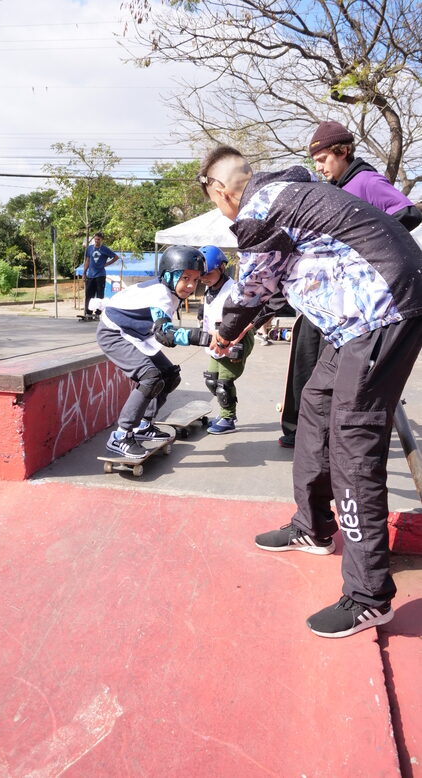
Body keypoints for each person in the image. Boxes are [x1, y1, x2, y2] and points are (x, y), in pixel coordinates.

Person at [197, 144, 422, 638]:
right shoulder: (292, 197)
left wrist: (226, 330)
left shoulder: (261, 207)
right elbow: (275, 286)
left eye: (215, 201)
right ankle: (314, 527)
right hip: (356, 318)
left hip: (379, 310)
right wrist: (246, 321)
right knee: (316, 405)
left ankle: (368, 595)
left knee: (352, 441)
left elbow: (253, 287)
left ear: (220, 190)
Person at [279, 121, 422, 449]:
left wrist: (366, 242)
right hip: (327, 294)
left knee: (333, 369)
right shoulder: (336, 188)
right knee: (304, 354)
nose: (319, 167)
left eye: (323, 159)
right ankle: (298, 429)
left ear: (343, 152)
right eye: (315, 162)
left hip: (362, 301)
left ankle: (327, 435)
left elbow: (409, 213)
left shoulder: (366, 180)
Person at [96, 245, 211, 459]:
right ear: (168, 275)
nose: (190, 285)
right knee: (150, 377)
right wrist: (204, 338)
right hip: (113, 333)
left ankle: (143, 424)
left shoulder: (170, 290)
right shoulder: (161, 294)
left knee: (169, 375)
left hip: (135, 334)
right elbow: (165, 335)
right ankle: (121, 435)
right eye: (185, 278)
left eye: (196, 280)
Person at [199, 244, 255, 434]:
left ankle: (228, 418)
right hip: (216, 340)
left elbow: (254, 315)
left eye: (208, 273)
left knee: (224, 383)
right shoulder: (209, 289)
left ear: (222, 268)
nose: (204, 278)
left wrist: (236, 337)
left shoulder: (235, 289)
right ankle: (225, 413)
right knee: (212, 380)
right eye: (201, 274)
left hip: (235, 340)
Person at [82, 232, 119, 318]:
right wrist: (84, 272)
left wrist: (107, 264)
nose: (96, 241)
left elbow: (116, 257)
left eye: (98, 239)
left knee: (99, 295)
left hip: (100, 275)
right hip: (91, 275)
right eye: (95, 239)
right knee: (89, 294)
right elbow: (87, 260)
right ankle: (88, 312)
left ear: (101, 240)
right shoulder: (89, 248)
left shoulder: (104, 249)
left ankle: (98, 313)